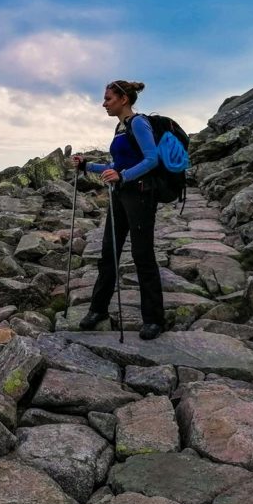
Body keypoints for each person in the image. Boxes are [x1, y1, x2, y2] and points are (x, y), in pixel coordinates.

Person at [71, 80, 165, 341]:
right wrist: (86, 166)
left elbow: (152, 159)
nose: (104, 104)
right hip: (121, 195)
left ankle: (154, 319)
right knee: (108, 253)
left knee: (142, 255)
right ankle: (98, 309)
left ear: (124, 99)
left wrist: (123, 177)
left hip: (141, 196)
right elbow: (116, 165)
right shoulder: (120, 127)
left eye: (108, 99)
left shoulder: (138, 124)